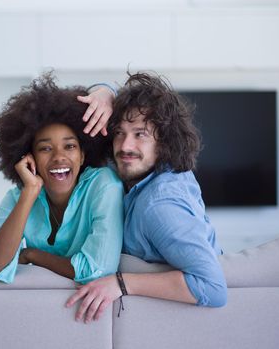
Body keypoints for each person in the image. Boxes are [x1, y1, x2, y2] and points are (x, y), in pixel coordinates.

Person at [66, 72, 227, 323]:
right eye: (119, 132)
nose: (125, 146)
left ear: (164, 142)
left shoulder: (160, 207)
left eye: (140, 134)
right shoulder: (142, 173)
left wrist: (120, 283)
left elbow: (212, 288)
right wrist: (104, 90)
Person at [0, 74, 124, 284]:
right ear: (30, 157)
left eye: (70, 146)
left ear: (83, 155)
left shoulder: (104, 185)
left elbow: (97, 269)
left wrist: (32, 255)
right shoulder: (19, 195)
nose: (58, 157)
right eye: (45, 148)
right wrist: (29, 193)